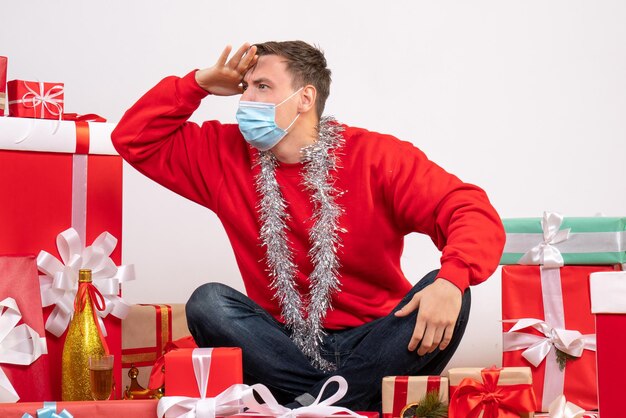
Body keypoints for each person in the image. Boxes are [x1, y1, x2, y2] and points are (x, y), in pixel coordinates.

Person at [111, 40, 505, 411]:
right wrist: (197, 84)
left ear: (305, 98)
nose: (246, 99)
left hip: (377, 340)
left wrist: (453, 279)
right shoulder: (223, 155)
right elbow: (133, 138)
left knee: (453, 290)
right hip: (280, 348)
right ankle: (346, 402)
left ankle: (307, 405)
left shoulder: (376, 156)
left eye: (262, 86)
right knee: (208, 302)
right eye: (244, 87)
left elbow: (468, 208)